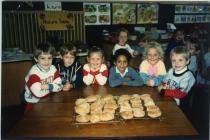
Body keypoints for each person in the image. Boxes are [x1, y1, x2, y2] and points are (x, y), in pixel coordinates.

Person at [24, 43, 62, 110]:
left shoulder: (53, 68)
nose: (46, 61)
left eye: (49, 58)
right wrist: (53, 88)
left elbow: (60, 86)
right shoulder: (33, 73)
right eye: (42, 58)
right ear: (36, 59)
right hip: (33, 103)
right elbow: (37, 93)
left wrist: (48, 86)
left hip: (48, 99)